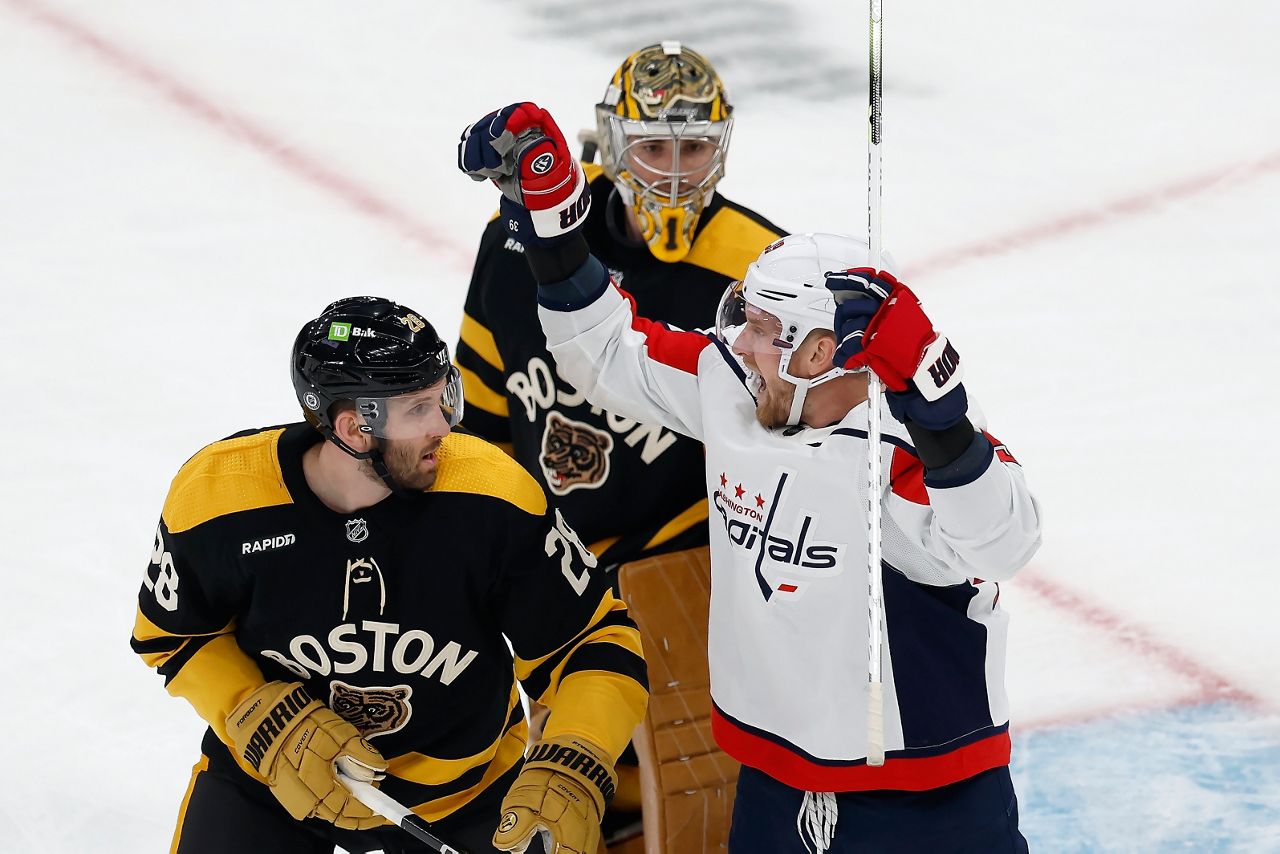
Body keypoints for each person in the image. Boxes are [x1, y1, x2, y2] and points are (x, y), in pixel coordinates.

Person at [458, 105, 1041, 852]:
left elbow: (1002, 544)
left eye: (766, 329)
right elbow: (605, 348)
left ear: (821, 350)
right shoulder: (734, 383)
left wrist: (934, 404)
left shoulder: (904, 448)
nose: (741, 339)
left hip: (926, 796)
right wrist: (550, 218)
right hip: (772, 784)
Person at [130, 296, 648, 854]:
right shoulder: (218, 498)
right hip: (275, 780)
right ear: (353, 429)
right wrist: (258, 714)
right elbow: (176, 636)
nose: (446, 425)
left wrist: (574, 758)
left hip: (463, 794)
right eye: (418, 410)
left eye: (443, 396)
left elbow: (596, 642)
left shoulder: (492, 499)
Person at [455, 41, 784, 571]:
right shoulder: (515, 240)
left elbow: (780, 459)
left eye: (694, 147)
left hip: (683, 558)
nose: (674, 173)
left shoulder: (760, 270)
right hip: (543, 556)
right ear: (612, 142)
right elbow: (484, 417)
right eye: (653, 147)